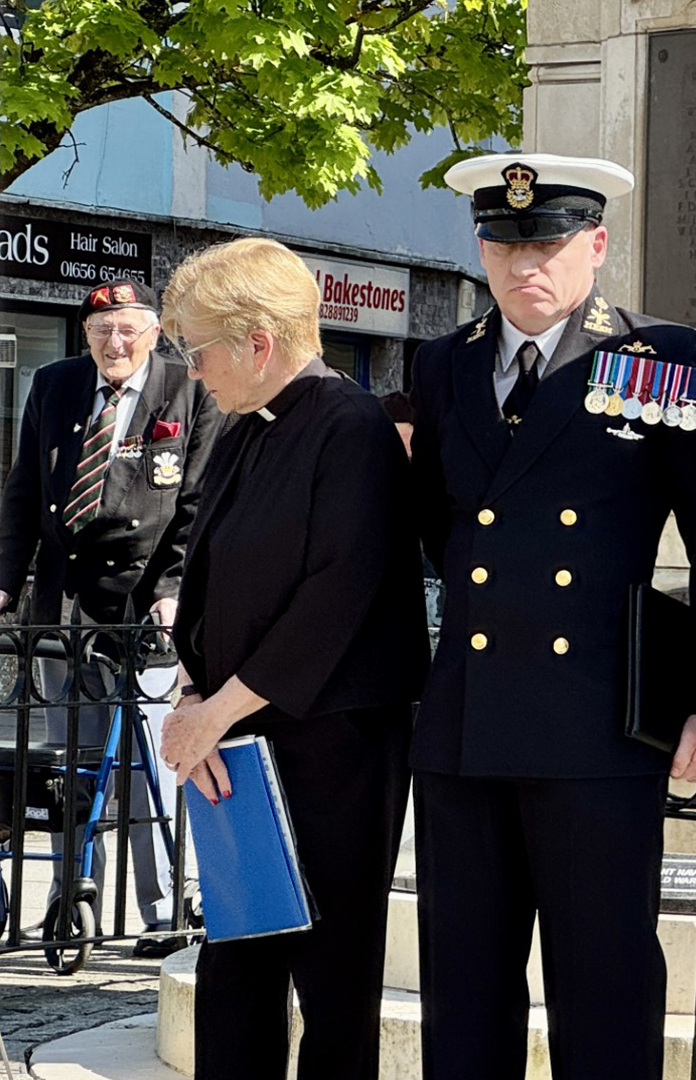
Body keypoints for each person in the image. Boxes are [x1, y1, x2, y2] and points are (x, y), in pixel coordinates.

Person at [408, 152, 696, 1080]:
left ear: (597, 244)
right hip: (467, 725)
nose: (524, 265)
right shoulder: (443, 364)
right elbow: (440, 526)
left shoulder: (653, 359)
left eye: (546, 242)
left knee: (605, 994)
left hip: (593, 726)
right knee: (463, 997)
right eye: (503, 244)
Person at [154, 237, 426, 1079]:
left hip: (332, 745)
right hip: (239, 742)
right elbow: (204, 572)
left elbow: (336, 597)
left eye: (199, 353)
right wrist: (195, 691)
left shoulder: (354, 428)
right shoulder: (243, 430)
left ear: (257, 344)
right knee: (235, 969)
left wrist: (212, 714)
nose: (194, 373)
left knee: (332, 975)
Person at [0, 277, 219, 953]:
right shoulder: (56, 384)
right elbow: (23, 493)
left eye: (128, 330)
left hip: (147, 608)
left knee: (151, 763)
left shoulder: (189, 389)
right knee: (72, 763)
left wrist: (176, 587)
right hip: (67, 607)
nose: (113, 344)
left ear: (155, 332)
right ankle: (72, 894)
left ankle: (163, 910)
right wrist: (5, 586)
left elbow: (199, 504)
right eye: (101, 332)